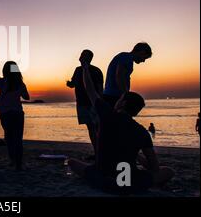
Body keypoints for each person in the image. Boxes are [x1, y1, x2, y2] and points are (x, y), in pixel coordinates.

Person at [68, 56, 174, 194]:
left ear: (122, 103)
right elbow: (154, 168)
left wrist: (85, 67)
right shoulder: (141, 131)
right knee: (168, 171)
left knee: (72, 162)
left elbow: (90, 89)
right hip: (127, 181)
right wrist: (137, 157)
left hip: (102, 178)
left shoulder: (106, 115)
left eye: (119, 99)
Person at [0, 61, 30, 171]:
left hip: (5, 113)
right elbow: (27, 97)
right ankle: (18, 164)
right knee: (18, 139)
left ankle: (12, 160)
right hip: (17, 113)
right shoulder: (20, 84)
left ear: (5, 71)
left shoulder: (1, 81)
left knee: (9, 137)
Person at [67, 49, 103, 157]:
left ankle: (99, 153)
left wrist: (100, 104)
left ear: (88, 58)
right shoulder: (78, 70)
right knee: (92, 128)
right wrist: (69, 84)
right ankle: (98, 152)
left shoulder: (95, 71)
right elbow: (73, 84)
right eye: (81, 55)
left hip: (93, 104)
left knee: (96, 128)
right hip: (82, 103)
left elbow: (100, 89)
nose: (80, 57)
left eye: (83, 55)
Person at [104, 42, 153, 107]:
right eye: (144, 57)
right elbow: (119, 76)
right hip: (113, 96)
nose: (143, 61)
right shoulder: (126, 58)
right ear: (141, 52)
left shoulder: (124, 57)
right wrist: (125, 95)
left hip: (112, 95)